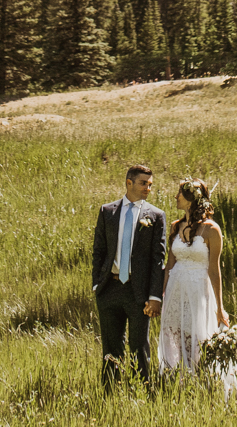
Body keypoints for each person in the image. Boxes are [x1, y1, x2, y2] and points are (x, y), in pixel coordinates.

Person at [90, 163, 165, 386]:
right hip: (110, 289)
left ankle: (143, 391)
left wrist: (154, 296)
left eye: (150, 185)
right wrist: (97, 285)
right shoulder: (107, 211)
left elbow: (157, 259)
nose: (148, 189)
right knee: (111, 349)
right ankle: (110, 393)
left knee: (139, 346)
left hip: (138, 291)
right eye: (143, 183)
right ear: (129, 182)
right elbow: (99, 251)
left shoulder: (156, 216)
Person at [157, 178, 230, 375]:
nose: (175, 197)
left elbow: (214, 270)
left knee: (197, 334)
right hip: (176, 287)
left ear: (191, 198)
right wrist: (161, 294)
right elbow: (169, 264)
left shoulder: (211, 230)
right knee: (173, 331)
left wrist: (220, 308)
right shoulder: (175, 227)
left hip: (199, 290)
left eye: (179, 193)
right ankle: (175, 375)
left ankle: (199, 374)